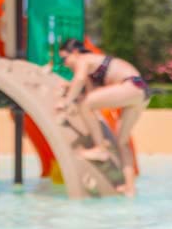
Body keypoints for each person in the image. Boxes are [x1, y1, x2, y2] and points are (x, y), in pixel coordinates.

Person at [54, 38, 150, 197]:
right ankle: (130, 188)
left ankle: (100, 149)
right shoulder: (94, 66)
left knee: (86, 104)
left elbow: (79, 81)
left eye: (64, 58)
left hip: (131, 86)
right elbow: (92, 94)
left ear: (75, 52)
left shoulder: (83, 59)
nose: (64, 64)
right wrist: (69, 88)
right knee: (122, 142)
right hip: (141, 92)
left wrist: (65, 102)